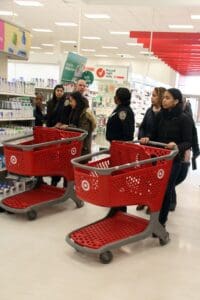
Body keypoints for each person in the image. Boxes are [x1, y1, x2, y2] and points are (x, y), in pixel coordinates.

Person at [140, 88, 193, 232]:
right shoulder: (160, 116)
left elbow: (189, 141)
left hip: (174, 160)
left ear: (176, 101)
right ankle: (154, 218)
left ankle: (161, 222)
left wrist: (177, 146)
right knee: (156, 188)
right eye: (164, 97)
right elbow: (153, 134)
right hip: (158, 158)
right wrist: (147, 139)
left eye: (168, 98)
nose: (164, 100)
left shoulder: (184, 118)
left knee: (166, 189)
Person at [106, 87, 135, 216]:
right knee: (116, 177)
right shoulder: (120, 109)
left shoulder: (124, 112)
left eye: (116, 95)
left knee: (120, 178)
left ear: (119, 98)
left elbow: (127, 133)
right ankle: (116, 204)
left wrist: (118, 144)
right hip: (116, 148)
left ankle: (120, 206)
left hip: (121, 150)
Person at [137, 87, 166, 213]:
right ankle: (143, 200)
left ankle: (151, 203)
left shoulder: (165, 114)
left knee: (155, 178)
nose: (151, 97)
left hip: (158, 150)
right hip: (146, 149)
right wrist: (142, 136)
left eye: (154, 95)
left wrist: (149, 138)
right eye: (152, 95)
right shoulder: (149, 110)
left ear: (160, 97)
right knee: (144, 176)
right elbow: (143, 126)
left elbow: (162, 132)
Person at [60, 91, 96, 155]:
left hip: (83, 149)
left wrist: (68, 127)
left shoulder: (85, 114)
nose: (70, 103)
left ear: (77, 100)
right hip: (76, 148)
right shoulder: (75, 111)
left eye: (71, 101)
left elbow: (83, 132)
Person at [46, 84, 67, 186]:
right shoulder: (50, 103)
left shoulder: (66, 103)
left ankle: (59, 178)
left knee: (61, 157)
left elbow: (64, 118)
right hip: (51, 132)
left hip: (61, 132)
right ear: (54, 91)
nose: (59, 92)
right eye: (57, 90)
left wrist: (58, 125)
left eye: (61, 91)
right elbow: (48, 117)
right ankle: (54, 178)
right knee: (51, 156)